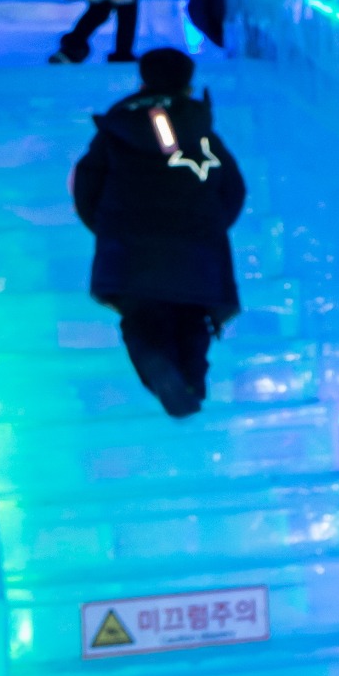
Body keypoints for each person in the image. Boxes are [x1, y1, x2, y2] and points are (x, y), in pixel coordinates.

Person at [71, 47, 248, 419]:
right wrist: (208, 226)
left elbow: (86, 188)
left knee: (141, 319)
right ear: (188, 82)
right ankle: (193, 380)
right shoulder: (202, 134)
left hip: (129, 247)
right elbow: (233, 189)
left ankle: (158, 365)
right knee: (193, 315)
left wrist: (108, 227)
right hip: (196, 244)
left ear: (142, 80)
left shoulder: (115, 134)